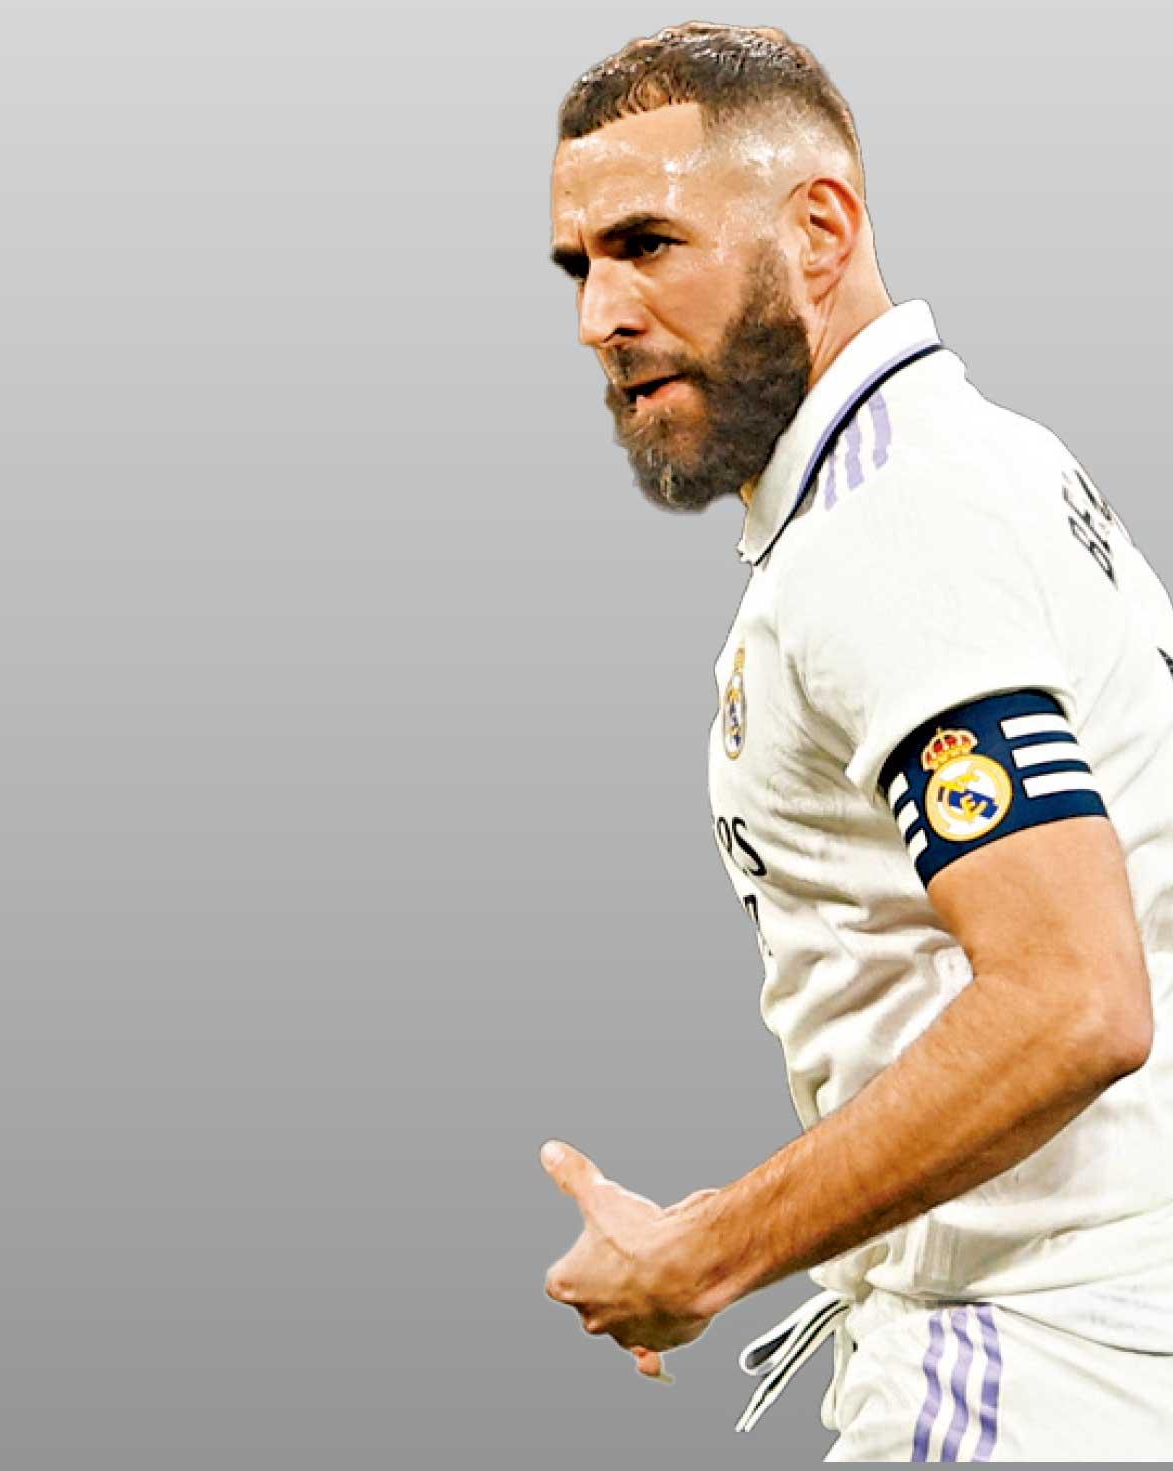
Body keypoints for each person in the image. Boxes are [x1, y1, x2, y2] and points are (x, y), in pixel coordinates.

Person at [538, 22, 1173, 1461]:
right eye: (581, 266)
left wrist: (706, 1257)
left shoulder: (889, 528)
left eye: (648, 244)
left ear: (819, 230)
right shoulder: (989, 458)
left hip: (1024, 1369)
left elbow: (1077, 998)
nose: (601, 316)